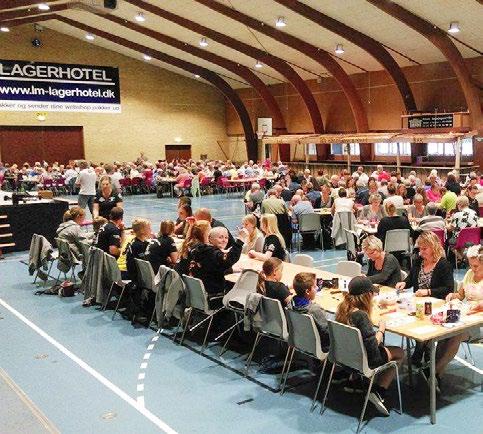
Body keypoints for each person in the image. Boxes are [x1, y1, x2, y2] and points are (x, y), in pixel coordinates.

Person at [335, 276, 404, 415]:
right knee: (400, 353)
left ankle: (354, 380)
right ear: (367, 295)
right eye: (372, 293)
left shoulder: (342, 308)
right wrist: (381, 330)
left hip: (345, 355)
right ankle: (379, 391)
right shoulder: (361, 316)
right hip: (365, 360)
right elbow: (372, 346)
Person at [395, 231, 454, 299]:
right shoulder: (419, 261)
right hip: (418, 301)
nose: (421, 251)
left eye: (424, 249)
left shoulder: (444, 265)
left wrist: (428, 292)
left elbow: (449, 289)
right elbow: (411, 279)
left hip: (436, 301)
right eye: (420, 248)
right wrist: (404, 283)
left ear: (434, 248)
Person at [189, 226, 246, 296]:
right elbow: (229, 260)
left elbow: (213, 269)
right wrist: (240, 240)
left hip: (202, 293)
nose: (224, 240)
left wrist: (231, 270)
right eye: (220, 237)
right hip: (214, 294)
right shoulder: (213, 254)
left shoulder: (201, 250)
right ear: (210, 239)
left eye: (226, 238)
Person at [291, 272, 329, 350]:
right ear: (307, 291)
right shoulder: (315, 310)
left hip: (300, 339)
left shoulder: (291, 304)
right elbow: (328, 331)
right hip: (319, 346)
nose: (317, 288)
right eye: (314, 287)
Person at [125, 218, 152, 283]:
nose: (151, 230)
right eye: (149, 228)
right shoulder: (138, 246)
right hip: (137, 278)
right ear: (142, 231)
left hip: (133, 274)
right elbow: (144, 264)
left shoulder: (135, 241)